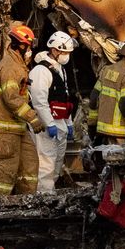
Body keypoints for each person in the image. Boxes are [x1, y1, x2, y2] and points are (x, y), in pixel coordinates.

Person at [0, 24, 45, 196]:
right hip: (5, 128)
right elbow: (11, 98)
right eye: (29, 46)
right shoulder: (10, 67)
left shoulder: (18, 65)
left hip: (17, 127)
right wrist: (32, 117)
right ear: (22, 46)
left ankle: (26, 201)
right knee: (6, 171)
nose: (30, 51)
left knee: (29, 164)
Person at [28, 31, 78, 193]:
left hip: (60, 122)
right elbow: (39, 101)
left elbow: (63, 98)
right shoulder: (41, 71)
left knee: (57, 160)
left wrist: (69, 123)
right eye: (64, 52)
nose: (66, 56)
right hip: (46, 124)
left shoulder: (59, 69)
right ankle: (44, 194)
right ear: (55, 50)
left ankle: (51, 190)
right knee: (46, 161)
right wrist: (49, 124)